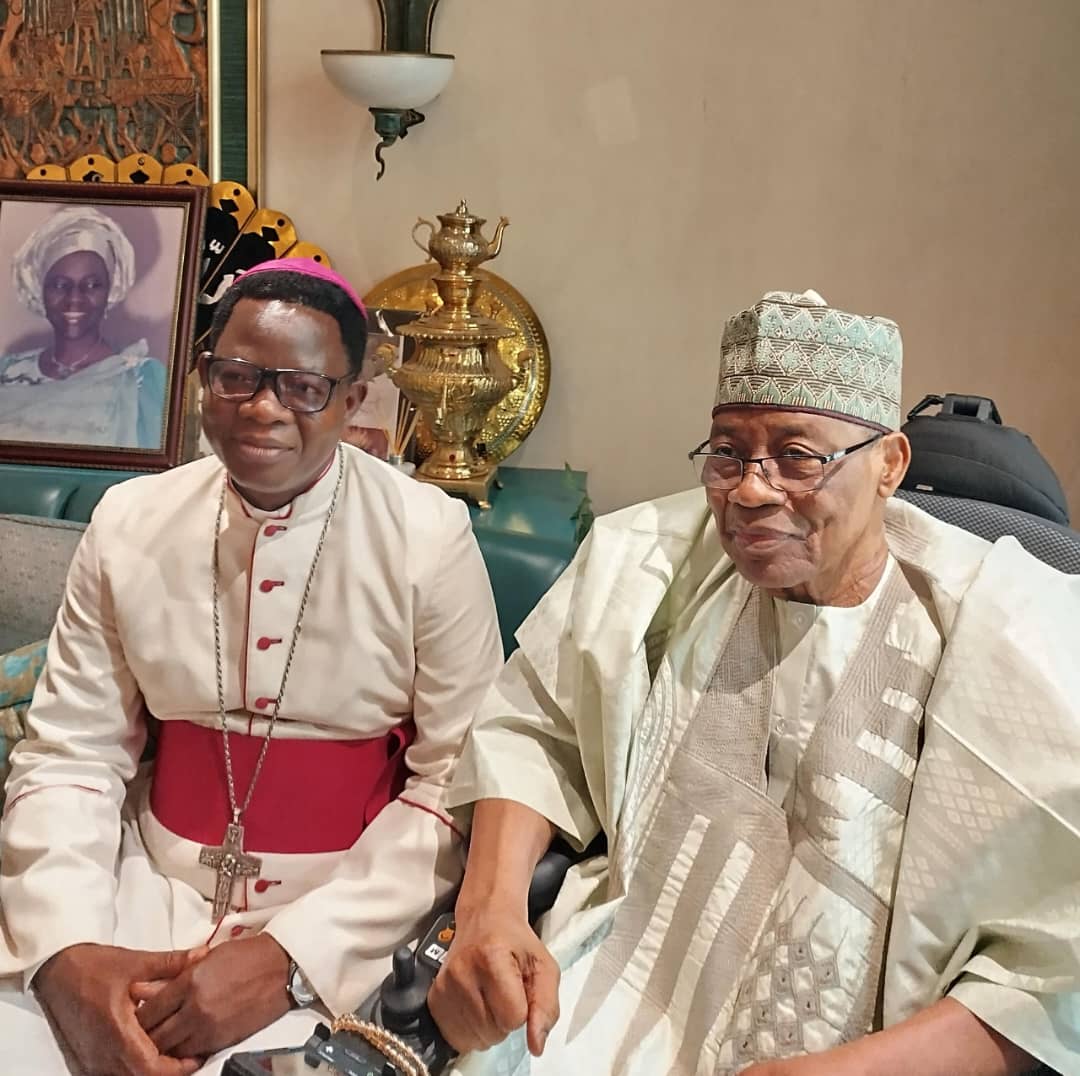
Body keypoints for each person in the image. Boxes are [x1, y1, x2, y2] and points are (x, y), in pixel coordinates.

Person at [432, 290, 1080, 1075]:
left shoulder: (1006, 631)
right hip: (606, 1000)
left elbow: (1054, 969)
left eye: (798, 457)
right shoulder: (653, 561)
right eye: (727, 453)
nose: (749, 490)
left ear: (890, 464)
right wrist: (490, 910)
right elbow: (537, 728)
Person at [0, 258, 504, 1075]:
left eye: (303, 388)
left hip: (351, 921)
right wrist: (67, 950)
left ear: (351, 400)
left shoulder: (427, 534)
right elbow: (71, 752)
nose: (264, 407)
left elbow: (457, 781)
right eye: (236, 376)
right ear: (204, 378)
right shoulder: (130, 519)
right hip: (140, 890)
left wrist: (293, 957)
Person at [0, 204, 165, 450]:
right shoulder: (7, 371)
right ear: (40, 290)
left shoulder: (141, 380)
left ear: (111, 289)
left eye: (91, 285)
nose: (74, 298)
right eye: (60, 285)